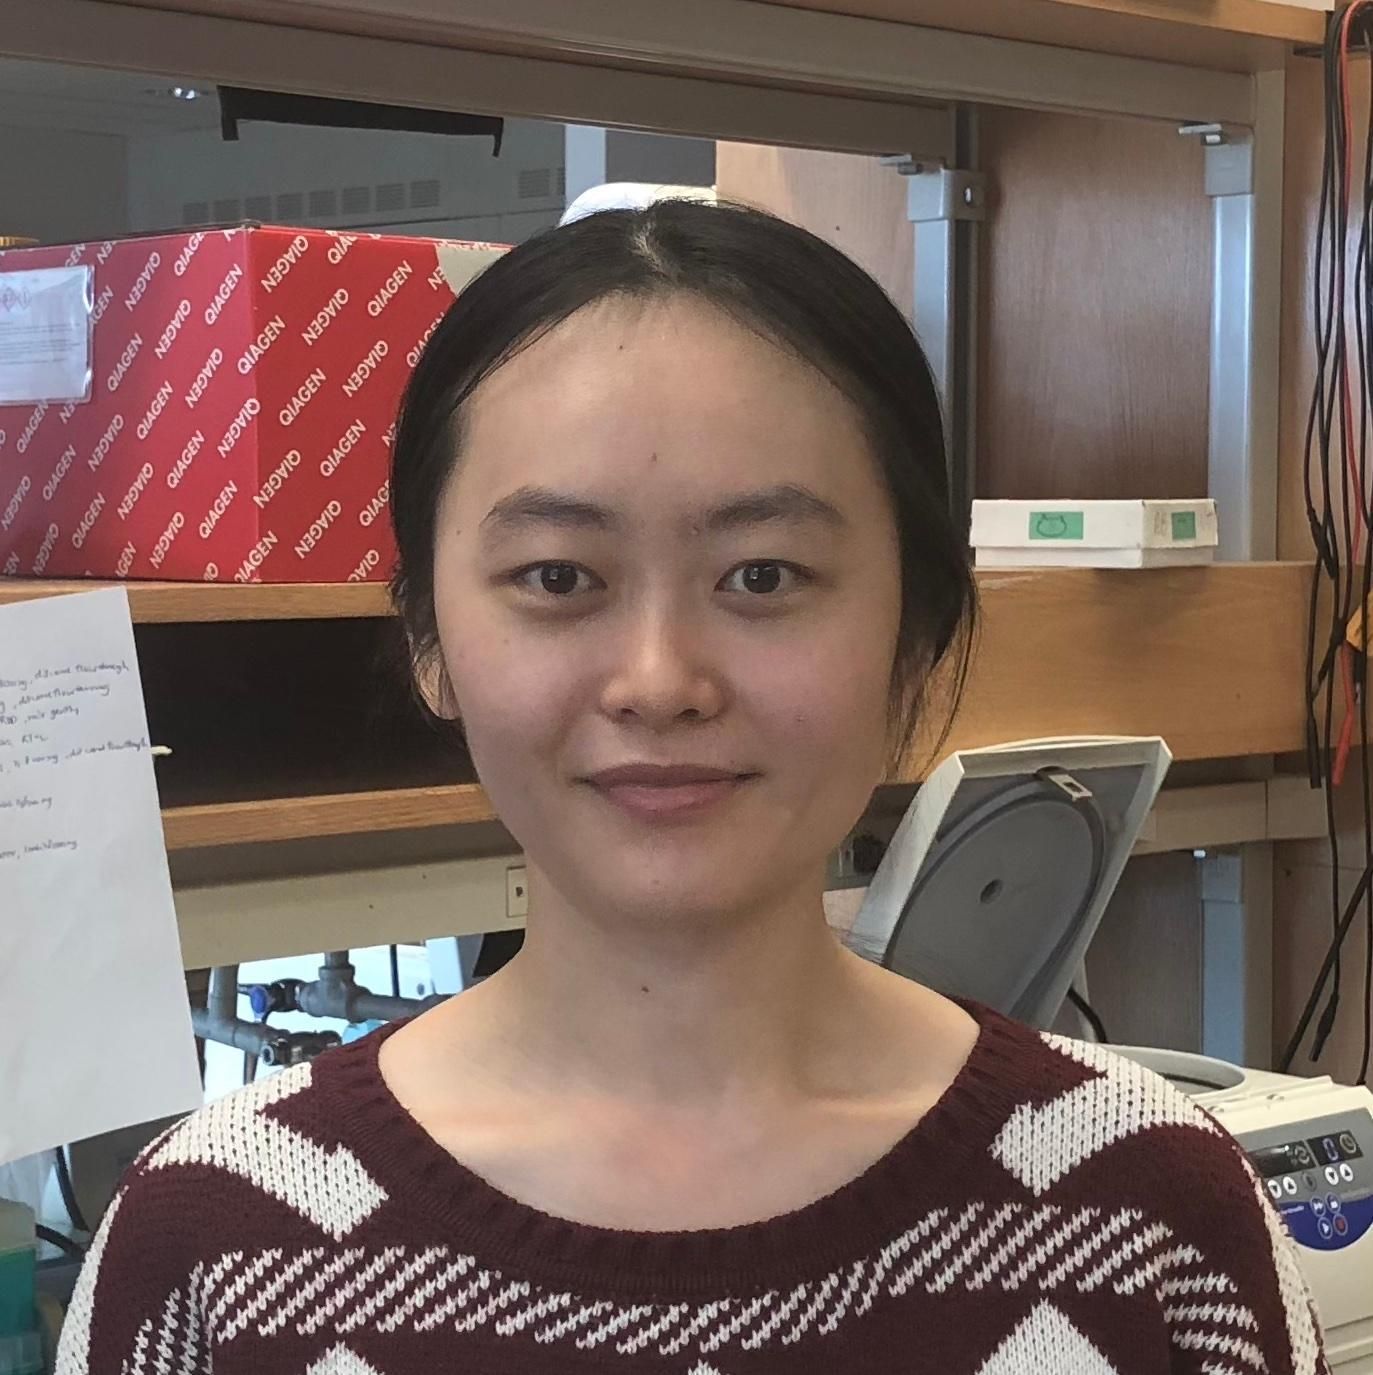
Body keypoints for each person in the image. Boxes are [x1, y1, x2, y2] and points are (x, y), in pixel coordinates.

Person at [56, 198, 1327, 1375]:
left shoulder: (1151, 1215)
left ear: (915, 637)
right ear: (428, 638)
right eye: (558, 577)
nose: (659, 682)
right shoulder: (212, 1244)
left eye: (761, 575)